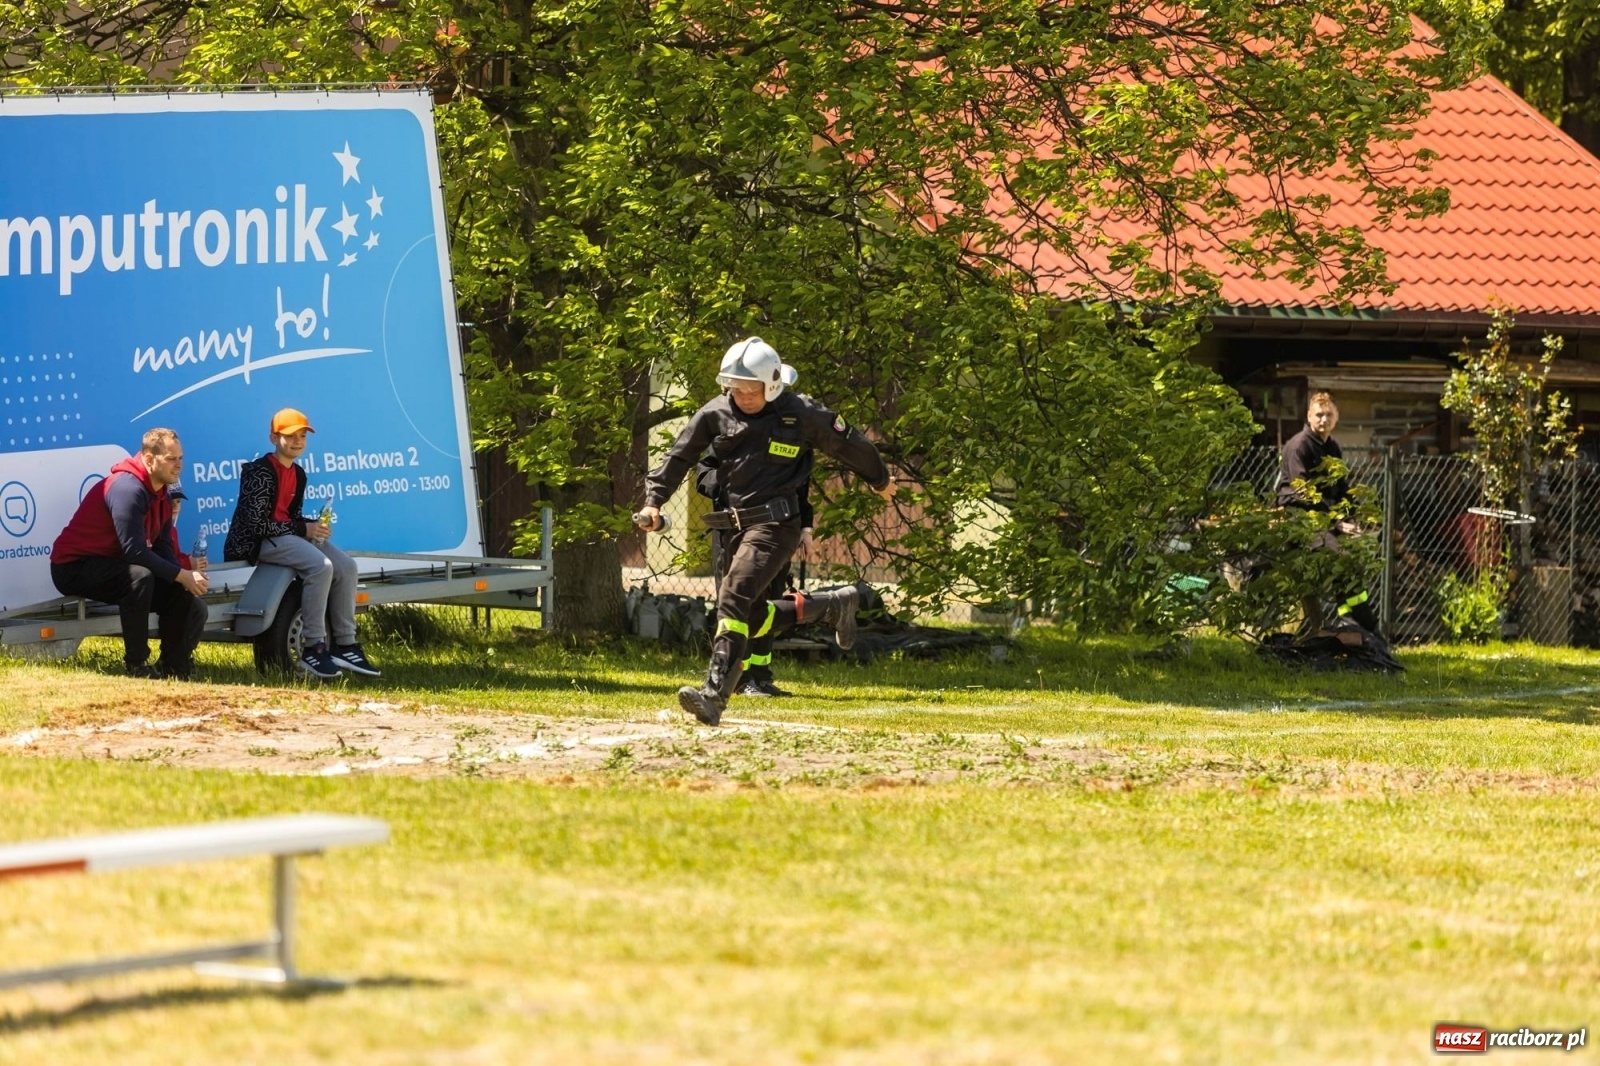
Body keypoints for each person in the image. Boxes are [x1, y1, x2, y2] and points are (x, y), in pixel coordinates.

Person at [637, 337, 891, 726]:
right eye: (735, 389)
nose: (742, 396)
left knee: (733, 593)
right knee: (749, 615)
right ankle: (830, 606)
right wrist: (654, 501)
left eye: (750, 390)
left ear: (772, 385)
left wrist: (879, 477)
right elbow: (680, 455)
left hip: (776, 523)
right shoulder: (715, 413)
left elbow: (848, 443)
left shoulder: (800, 412)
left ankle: (714, 692)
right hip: (732, 527)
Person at [223, 407, 381, 680]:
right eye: (290, 436)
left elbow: (290, 516)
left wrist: (312, 526)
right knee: (321, 566)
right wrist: (302, 528)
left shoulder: (298, 473)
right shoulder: (259, 472)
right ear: (274, 438)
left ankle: (345, 645)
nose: (297, 441)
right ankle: (314, 648)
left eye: (303, 436)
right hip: (257, 542)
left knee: (346, 566)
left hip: (284, 535)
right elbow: (256, 524)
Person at [49, 428, 210, 679]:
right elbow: (134, 550)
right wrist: (181, 573)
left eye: (180, 458)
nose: (178, 465)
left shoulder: (163, 494)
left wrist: (184, 578)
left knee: (179, 589)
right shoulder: (128, 489)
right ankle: (137, 665)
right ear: (148, 459)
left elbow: (163, 548)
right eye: (171, 459)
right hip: (72, 567)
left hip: (113, 563)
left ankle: (173, 669)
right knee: (140, 577)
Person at [697, 454, 812, 698]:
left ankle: (761, 675)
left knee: (770, 599)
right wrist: (735, 479)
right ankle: (739, 678)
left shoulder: (783, 428)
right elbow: (704, 473)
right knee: (739, 603)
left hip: (778, 530)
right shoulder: (724, 428)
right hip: (733, 532)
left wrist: (806, 526)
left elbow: (799, 482)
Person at [1276, 391, 1381, 633]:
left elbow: (1342, 487)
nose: (1324, 419)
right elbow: (1303, 492)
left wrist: (1348, 516)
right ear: (1309, 416)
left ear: (1336, 418)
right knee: (1342, 562)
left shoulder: (1332, 447)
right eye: (1319, 414)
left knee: (1354, 563)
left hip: (1326, 520)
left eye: (1329, 414)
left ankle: (1352, 624)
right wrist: (1335, 522)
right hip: (1300, 519)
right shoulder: (1298, 446)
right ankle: (1367, 626)